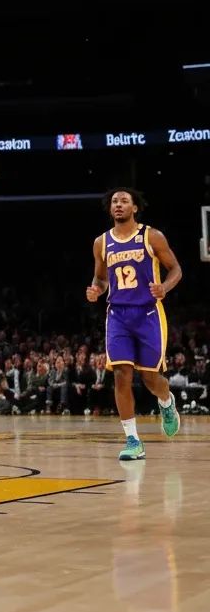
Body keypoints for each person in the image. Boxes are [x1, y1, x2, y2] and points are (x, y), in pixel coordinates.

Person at [87, 188, 182, 460]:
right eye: (115, 202)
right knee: (121, 374)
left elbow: (176, 269)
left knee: (150, 377)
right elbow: (101, 279)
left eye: (124, 201)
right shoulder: (101, 242)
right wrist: (96, 290)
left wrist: (164, 287)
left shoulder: (151, 236)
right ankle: (132, 440)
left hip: (148, 314)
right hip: (117, 315)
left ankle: (166, 402)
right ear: (110, 209)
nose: (118, 205)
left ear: (135, 207)